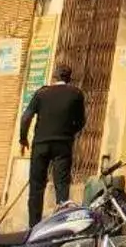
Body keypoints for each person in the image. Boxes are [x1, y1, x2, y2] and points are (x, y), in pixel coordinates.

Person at [19, 66, 87, 225]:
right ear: (69, 78)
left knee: (36, 186)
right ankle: (59, 226)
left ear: (54, 77)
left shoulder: (41, 93)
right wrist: (69, 133)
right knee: (62, 186)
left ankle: (33, 226)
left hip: (40, 145)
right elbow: (81, 122)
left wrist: (23, 139)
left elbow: (25, 118)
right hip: (63, 146)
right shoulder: (76, 94)